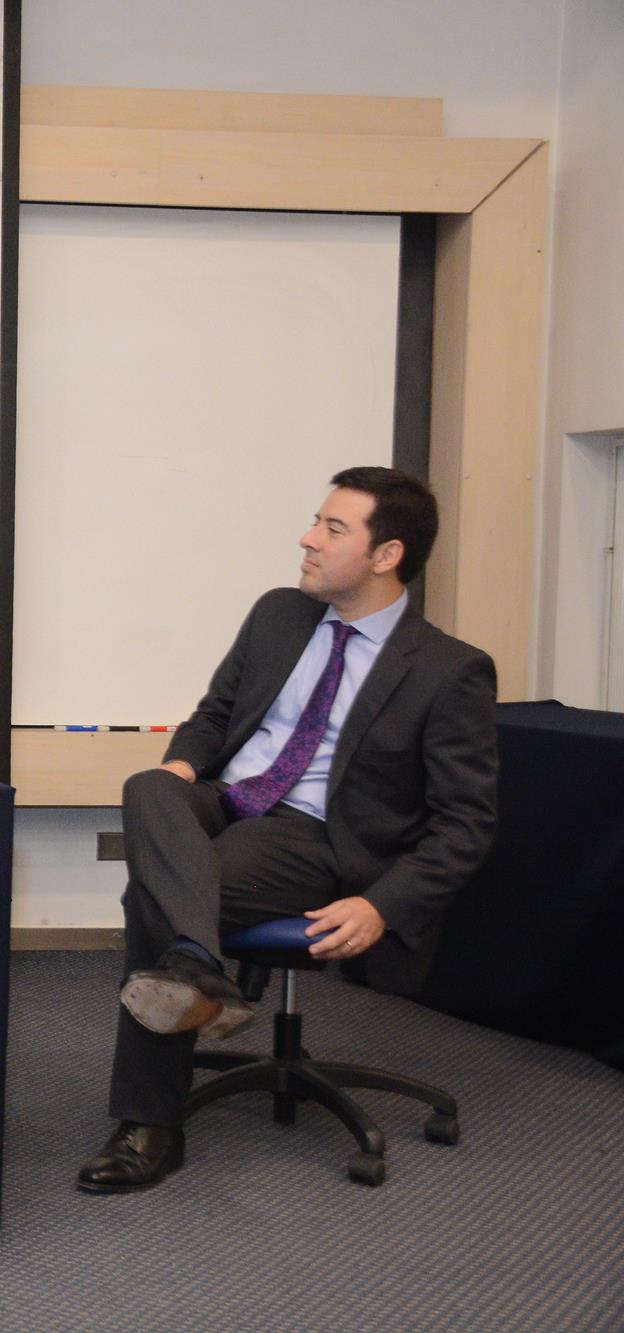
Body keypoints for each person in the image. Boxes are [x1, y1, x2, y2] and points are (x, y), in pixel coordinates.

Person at [79, 466, 498, 1194]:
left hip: (318, 837)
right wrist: (183, 767)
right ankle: (200, 971)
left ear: (386, 554)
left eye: (333, 529)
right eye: (315, 521)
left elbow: (467, 823)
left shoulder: (447, 670)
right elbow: (214, 716)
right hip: (230, 797)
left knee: (153, 895)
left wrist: (382, 904)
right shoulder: (279, 614)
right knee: (149, 786)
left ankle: (151, 1123)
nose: (308, 539)